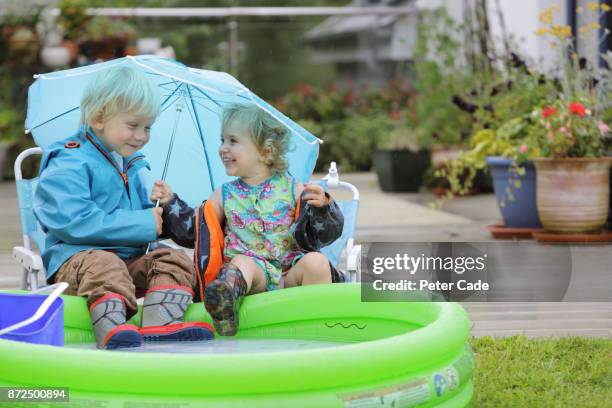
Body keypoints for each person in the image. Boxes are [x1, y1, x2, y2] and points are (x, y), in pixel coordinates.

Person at [33, 66, 213, 349]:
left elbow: (143, 221)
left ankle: (159, 323)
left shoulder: (127, 162)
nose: (142, 136)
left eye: (147, 127)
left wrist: (161, 208)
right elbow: (73, 221)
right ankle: (112, 328)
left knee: (173, 258)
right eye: (133, 126)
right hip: (77, 261)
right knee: (106, 264)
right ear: (99, 117)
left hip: (128, 261)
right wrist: (142, 222)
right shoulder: (69, 161)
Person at [151, 103, 344, 336]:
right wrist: (170, 201)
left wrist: (323, 208)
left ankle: (320, 325)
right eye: (222, 140)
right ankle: (224, 303)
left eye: (233, 141)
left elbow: (324, 235)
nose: (223, 148)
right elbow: (194, 229)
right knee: (241, 262)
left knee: (316, 262)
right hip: (254, 281)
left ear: (266, 151)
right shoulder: (224, 194)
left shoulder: (294, 189)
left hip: (290, 275)